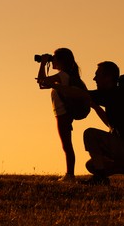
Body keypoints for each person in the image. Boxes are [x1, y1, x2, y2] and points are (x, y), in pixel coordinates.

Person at [84, 61, 124, 186]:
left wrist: (58, 86)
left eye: (98, 75)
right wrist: (96, 107)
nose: (94, 78)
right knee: (92, 165)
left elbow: (82, 94)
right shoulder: (118, 95)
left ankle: (101, 178)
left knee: (90, 134)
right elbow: (111, 124)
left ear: (108, 78)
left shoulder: (112, 94)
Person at [37, 48, 87, 182]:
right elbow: (43, 85)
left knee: (66, 145)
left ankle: (70, 175)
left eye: (54, 58)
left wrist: (43, 63)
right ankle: (69, 174)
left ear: (61, 61)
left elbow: (42, 81)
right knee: (66, 144)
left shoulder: (63, 75)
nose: (52, 61)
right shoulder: (65, 76)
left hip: (62, 114)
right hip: (62, 114)